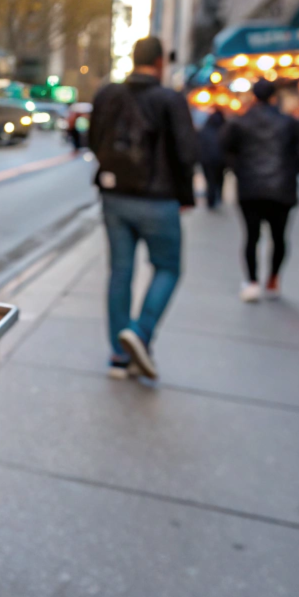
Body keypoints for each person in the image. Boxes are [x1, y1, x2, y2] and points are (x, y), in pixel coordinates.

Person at [89, 37, 197, 381]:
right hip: (159, 200)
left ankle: (119, 355)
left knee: (120, 271)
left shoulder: (108, 95)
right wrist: (186, 196)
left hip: (114, 197)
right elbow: (185, 153)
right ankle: (141, 332)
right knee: (168, 268)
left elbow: (93, 139)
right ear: (160, 62)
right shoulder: (170, 100)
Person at [223, 80, 299, 301]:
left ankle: (252, 281)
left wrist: (238, 169)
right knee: (279, 237)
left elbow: (226, 147)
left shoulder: (241, 122)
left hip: (251, 187)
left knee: (251, 237)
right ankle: (273, 279)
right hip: (281, 187)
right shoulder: (287, 122)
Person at [198, 107, 227, 209]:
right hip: (220, 160)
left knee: (210, 180)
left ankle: (211, 199)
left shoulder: (205, 129)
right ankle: (218, 197)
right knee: (219, 179)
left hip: (207, 159)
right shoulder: (225, 129)